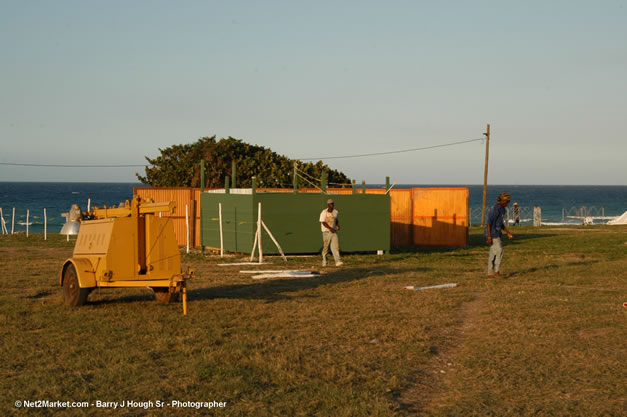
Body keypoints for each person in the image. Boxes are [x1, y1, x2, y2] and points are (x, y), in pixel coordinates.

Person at [485, 192, 514, 278]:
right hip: (492, 233)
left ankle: (490, 273)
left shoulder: (502, 210)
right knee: (500, 250)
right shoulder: (494, 209)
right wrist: (489, 237)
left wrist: (508, 233)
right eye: (506, 202)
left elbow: (500, 224)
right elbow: (489, 224)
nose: (507, 203)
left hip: (497, 233)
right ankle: (496, 271)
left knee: (493, 252)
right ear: (502, 201)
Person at [319, 199, 343, 267]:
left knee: (335, 247)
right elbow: (323, 222)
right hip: (326, 232)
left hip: (334, 232)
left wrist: (337, 225)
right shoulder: (324, 212)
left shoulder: (335, 212)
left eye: (332, 203)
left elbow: (336, 220)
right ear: (328, 205)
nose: (332, 205)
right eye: (330, 204)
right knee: (326, 248)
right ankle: (324, 261)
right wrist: (330, 228)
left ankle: (337, 261)